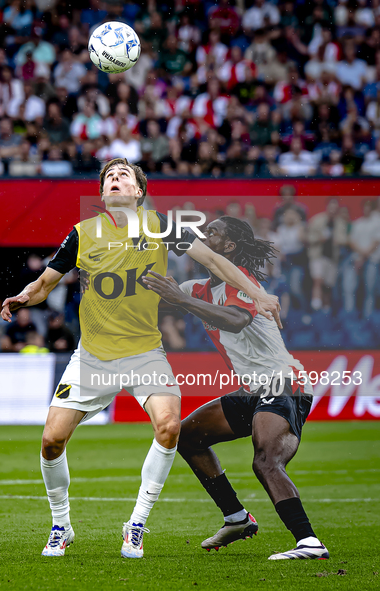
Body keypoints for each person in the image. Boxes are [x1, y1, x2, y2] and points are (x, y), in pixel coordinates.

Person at [2, 158, 281, 559]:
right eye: (109, 177)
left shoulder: (162, 227)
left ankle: (136, 524)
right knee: (51, 442)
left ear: (138, 192)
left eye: (124, 176)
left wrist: (257, 294)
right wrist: (25, 295)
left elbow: (217, 262)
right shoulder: (83, 233)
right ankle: (61, 525)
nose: (115, 180)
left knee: (169, 427)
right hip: (93, 358)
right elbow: (47, 282)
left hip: (144, 353)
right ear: (102, 194)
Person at [143, 216, 328, 561]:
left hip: (282, 382)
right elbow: (159, 300)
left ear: (228, 247)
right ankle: (236, 518)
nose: (204, 235)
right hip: (252, 390)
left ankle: (309, 542)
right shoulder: (198, 287)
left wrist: (178, 300)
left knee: (266, 461)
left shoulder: (244, 282)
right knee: (186, 436)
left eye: (212, 232)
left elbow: (237, 319)